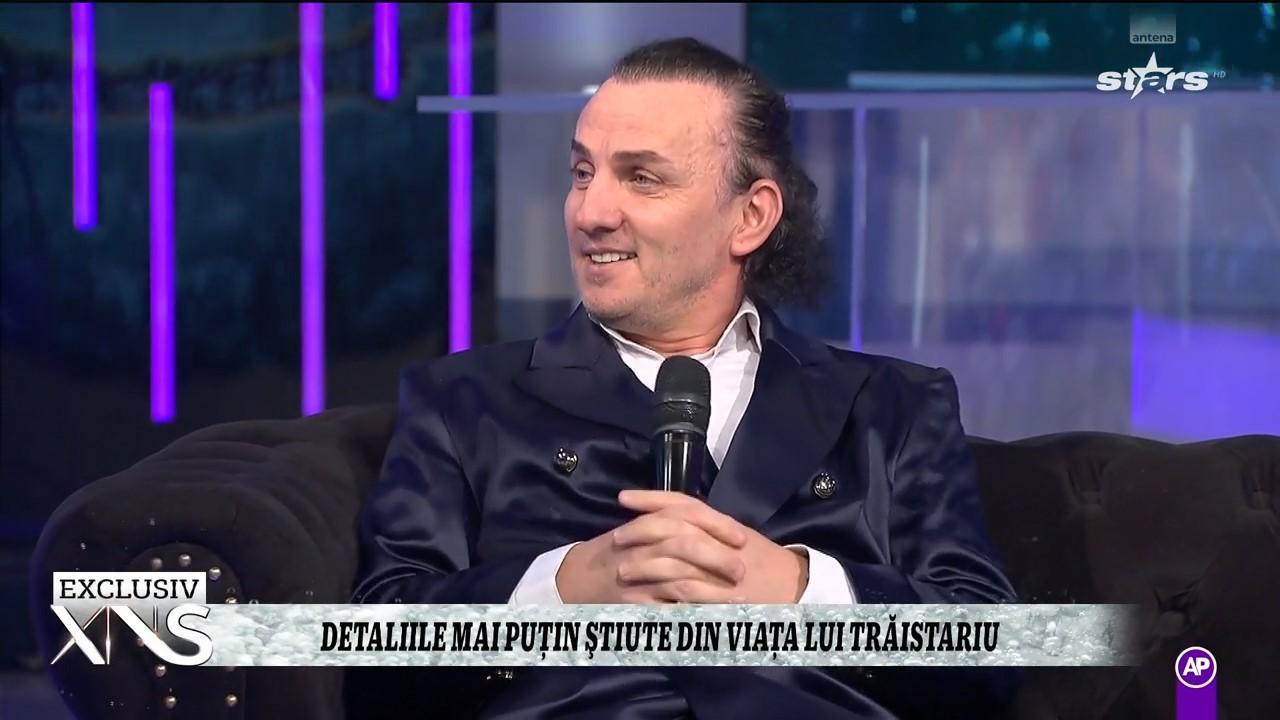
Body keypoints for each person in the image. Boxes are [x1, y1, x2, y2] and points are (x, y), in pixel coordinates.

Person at [352, 37, 1018, 719]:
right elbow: (372, 661)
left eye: (641, 178)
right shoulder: (462, 401)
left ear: (750, 217)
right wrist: (563, 589)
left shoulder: (894, 407)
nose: (591, 212)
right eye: (583, 172)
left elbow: (994, 660)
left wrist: (798, 590)